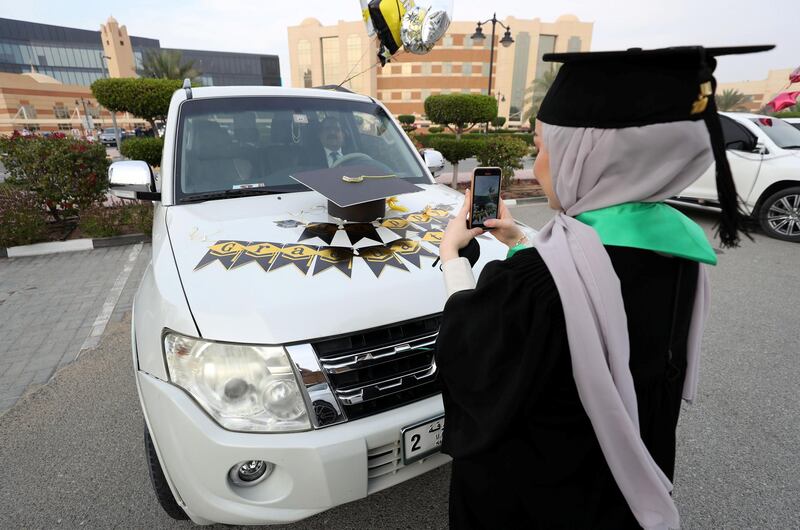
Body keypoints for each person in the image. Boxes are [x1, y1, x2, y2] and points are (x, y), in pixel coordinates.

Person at [435, 45, 773, 529]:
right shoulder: (677, 253)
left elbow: (469, 361)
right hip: (620, 488)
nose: (540, 161)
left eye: (544, 144)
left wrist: (452, 258)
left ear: (586, 155)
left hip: (536, 497)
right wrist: (519, 239)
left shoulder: (534, 282)